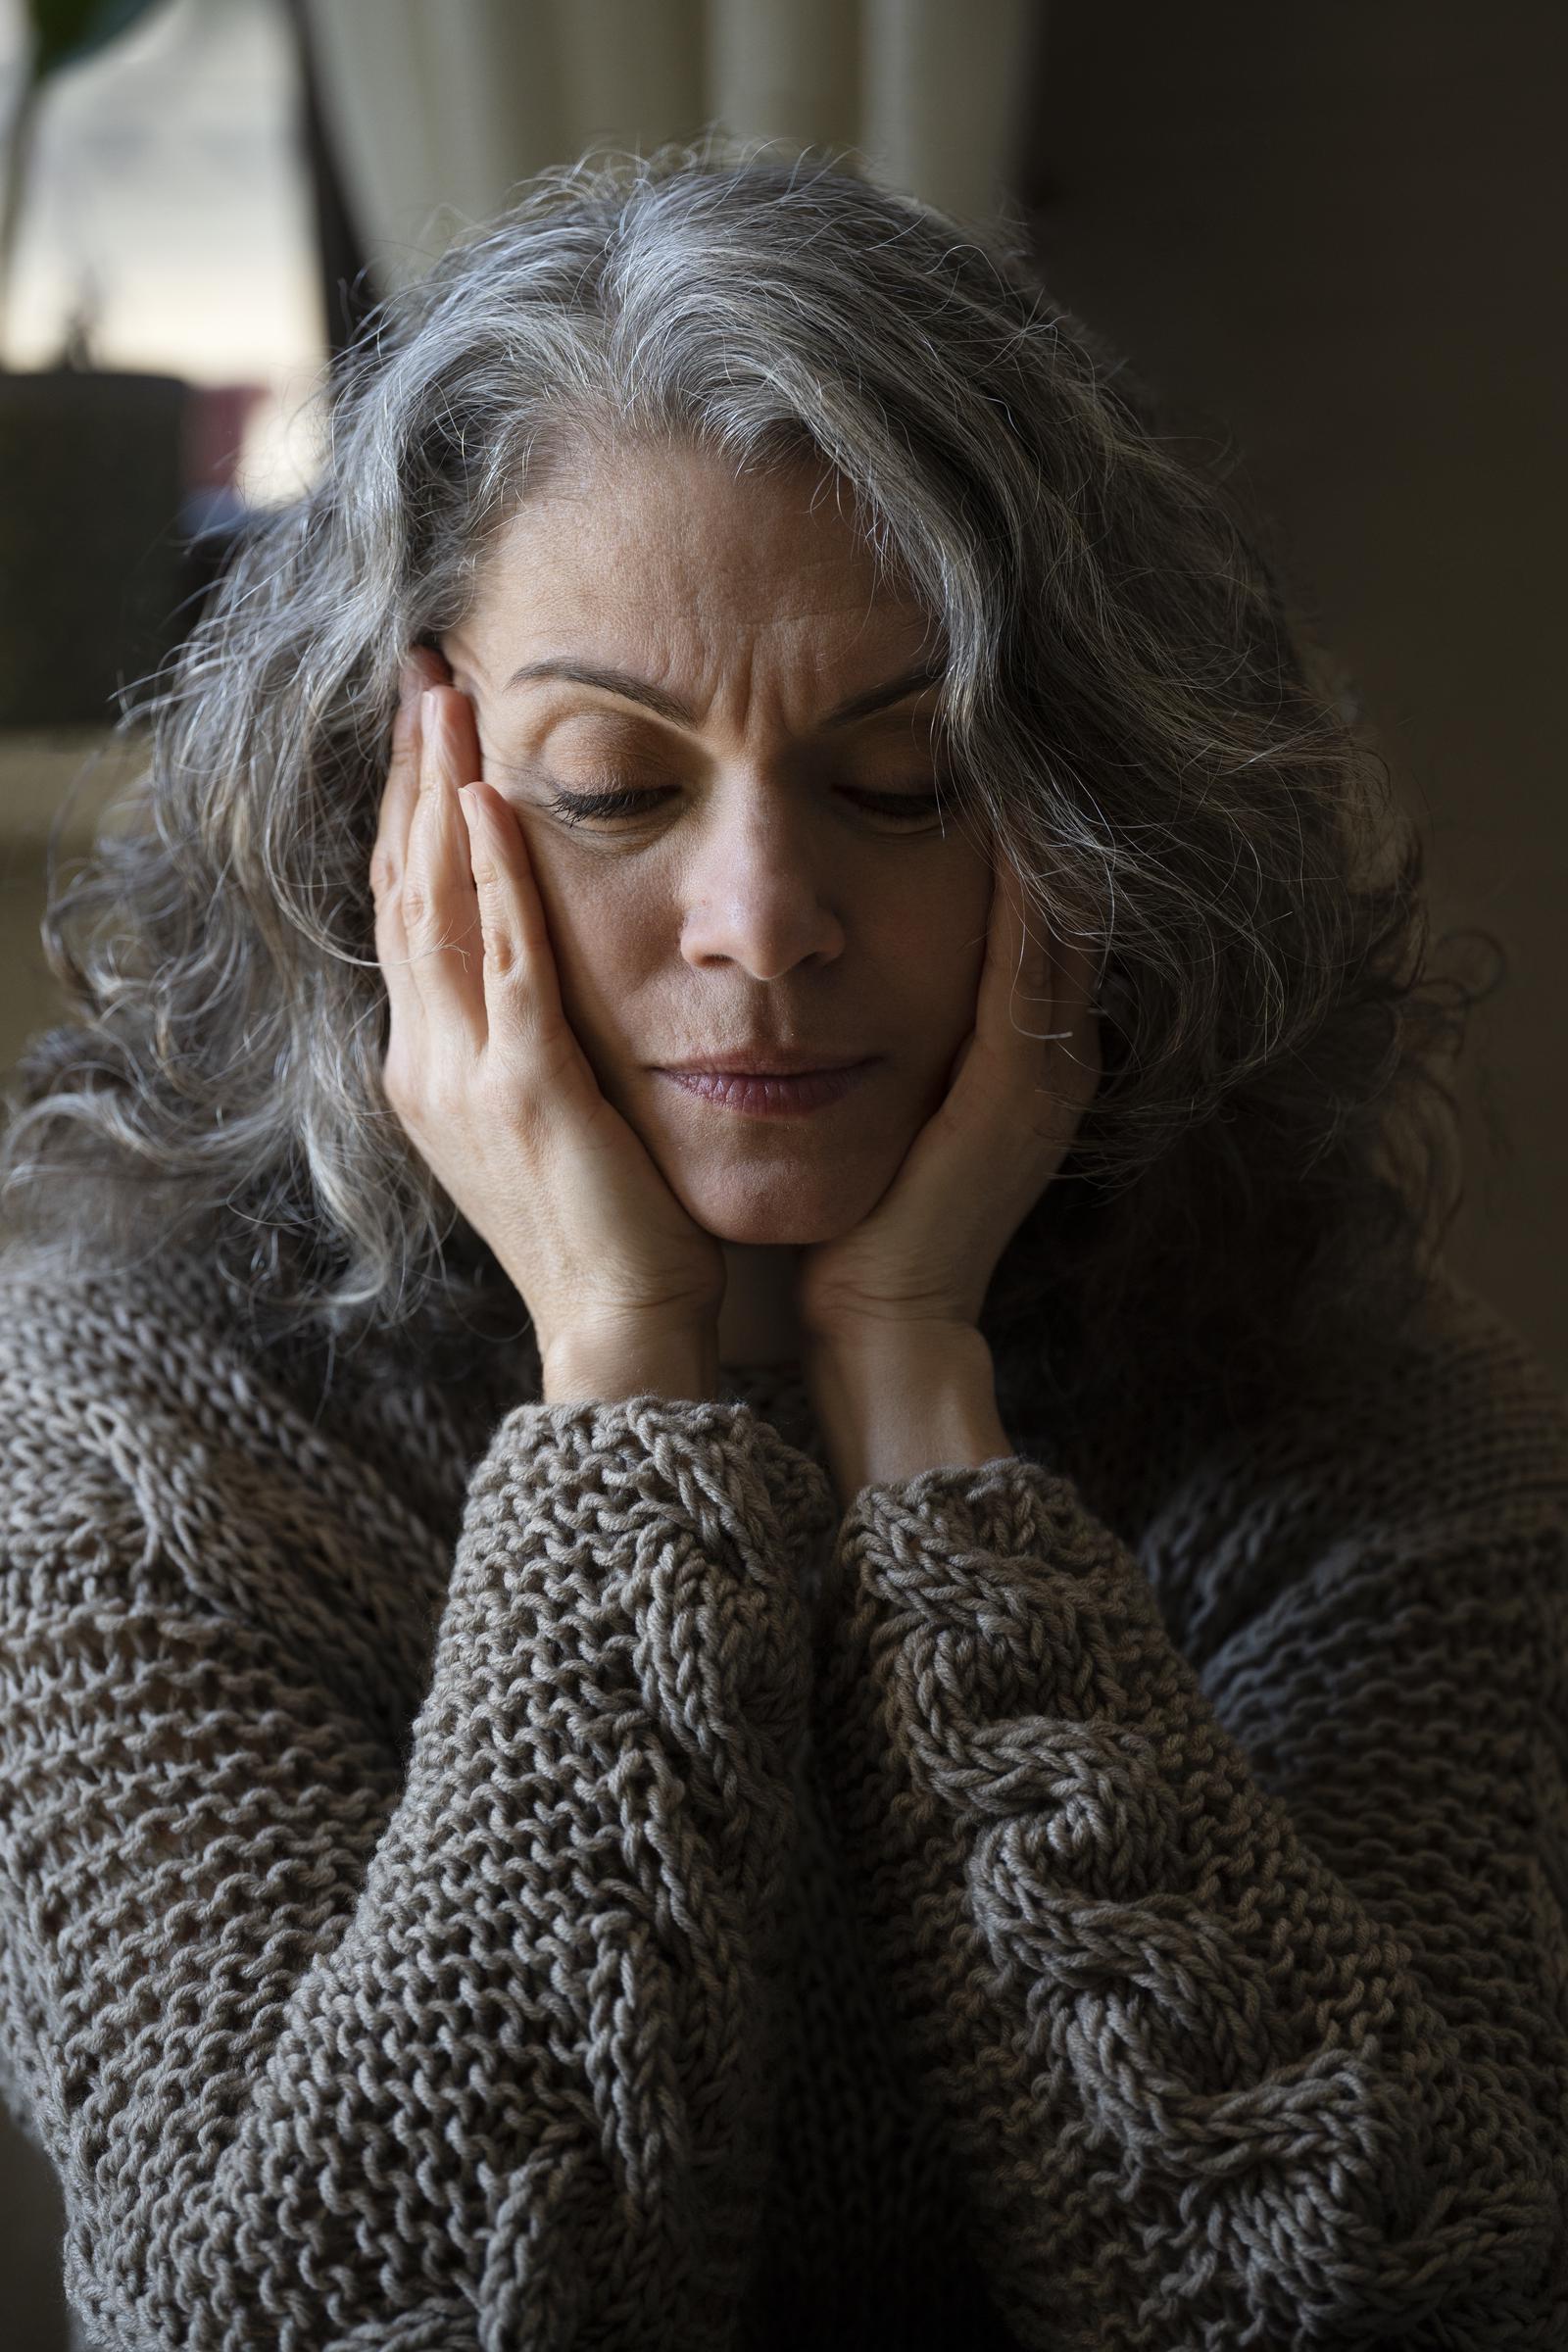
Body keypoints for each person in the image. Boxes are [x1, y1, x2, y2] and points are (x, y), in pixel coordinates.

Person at [0, 134, 1563, 2352]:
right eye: (614, 791)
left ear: (1086, 810)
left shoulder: (1349, 1420)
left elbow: (1387, 2291)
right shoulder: (136, 1445)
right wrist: (621, 1386)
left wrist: (922, 1416)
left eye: (904, 777)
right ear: (385, 816)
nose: (761, 925)